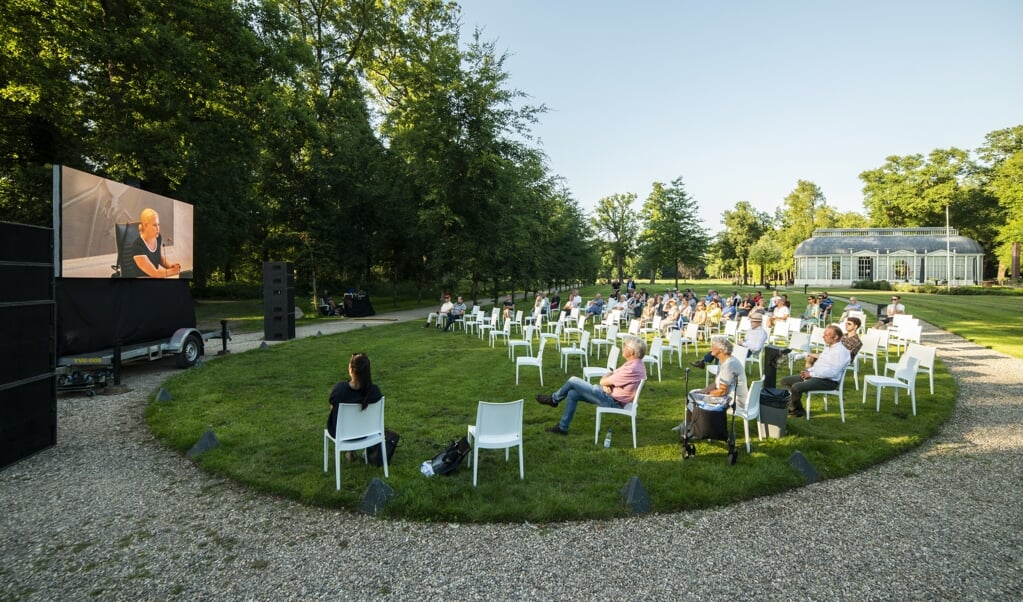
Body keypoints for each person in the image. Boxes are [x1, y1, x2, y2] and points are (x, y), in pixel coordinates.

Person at [535, 335, 647, 435]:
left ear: (631, 352)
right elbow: (610, 374)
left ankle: (554, 399)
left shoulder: (632, 369)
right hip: (608, 395)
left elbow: (604, 381)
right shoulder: (635, 364)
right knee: (572, 393)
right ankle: (562, 427)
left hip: (611, 400)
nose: (622, 347)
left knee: (573, 380)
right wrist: (606, 382)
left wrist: (605, 382)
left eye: (625, 345)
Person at [678, 336, 749, 431]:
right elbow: (716, 384)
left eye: (713, 346)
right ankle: (688, 425)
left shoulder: (729, 365)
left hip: (733, 401)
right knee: (693, 393)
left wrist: (705, 395)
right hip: (727, 396)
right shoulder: (722, 360)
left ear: (720, 349)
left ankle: (694, 428)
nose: (710, 348)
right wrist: (703, 391)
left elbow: (722, 391)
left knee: (693, 397)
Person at [780, 324, 850, 417]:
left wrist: (812, 374)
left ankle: (795, 410)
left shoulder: (840, 351)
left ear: (836, 337)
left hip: (828, 381)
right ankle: (794, 408)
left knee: (796, 387)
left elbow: (833, 372)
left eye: (826, 334)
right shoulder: (829, 347)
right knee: (785, 381)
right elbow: (820, 365)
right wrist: (809, 371)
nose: (823, 336)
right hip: (818, 376)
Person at [326, 353, 383, 441]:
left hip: (341, 433)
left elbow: (333, 408)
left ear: (351, 370)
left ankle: (350, 451)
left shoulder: (340, 390)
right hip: (367, 432)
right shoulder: (375, 391)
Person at [122, 208, 181, 278]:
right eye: (155, 225)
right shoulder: (137, 246)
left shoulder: (158, 237)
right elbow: (154, 273)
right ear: (145, 225)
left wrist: (170, 266)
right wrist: (173, 271)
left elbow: (158, 257)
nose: (158, 228)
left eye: (158, 224)